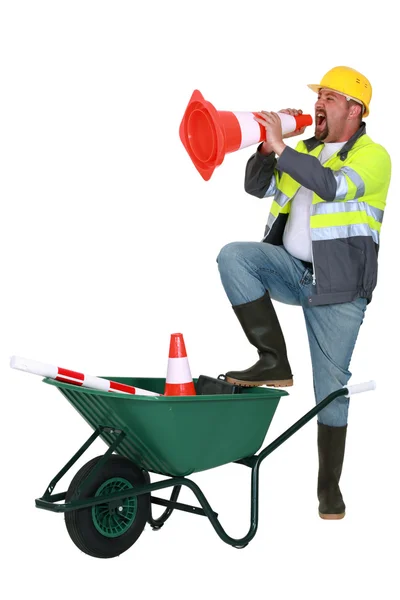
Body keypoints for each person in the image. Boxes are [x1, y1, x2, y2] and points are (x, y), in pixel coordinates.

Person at [216, 66, 391, 519]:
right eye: (319, 96)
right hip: (292, 271)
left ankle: (328, 488)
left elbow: (333, 187)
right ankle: (273, 359)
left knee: (331, 389)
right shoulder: (304, 150)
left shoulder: (374, 157)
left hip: (340, 290)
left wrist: (283, 149)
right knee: (234, 255)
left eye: (330, 98)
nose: (319, 103)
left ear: (355, 110)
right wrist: (265, 148)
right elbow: (258, 188)